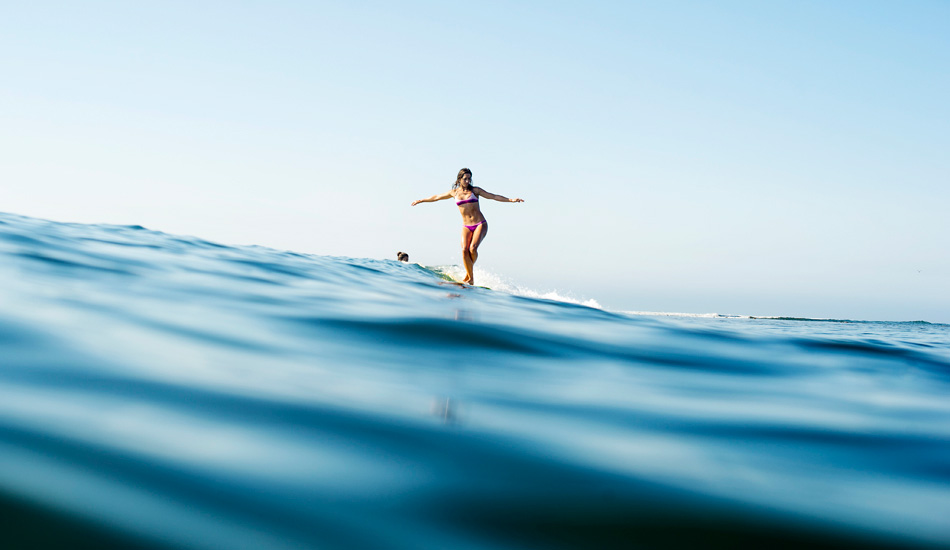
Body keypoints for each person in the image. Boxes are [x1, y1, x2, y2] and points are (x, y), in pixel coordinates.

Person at [411, 168, 524, 285]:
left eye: (469, 179)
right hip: (466, 226)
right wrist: (421, 200)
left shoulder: (475, 191)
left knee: (472, 248)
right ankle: (470, 277)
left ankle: (469, 276)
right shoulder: (454, 193)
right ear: (459, 179)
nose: (467, 181)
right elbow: (436, 197)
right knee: (464, 250)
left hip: (480, 224)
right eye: (465, 179)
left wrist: (511, 200)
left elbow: (493, 196)